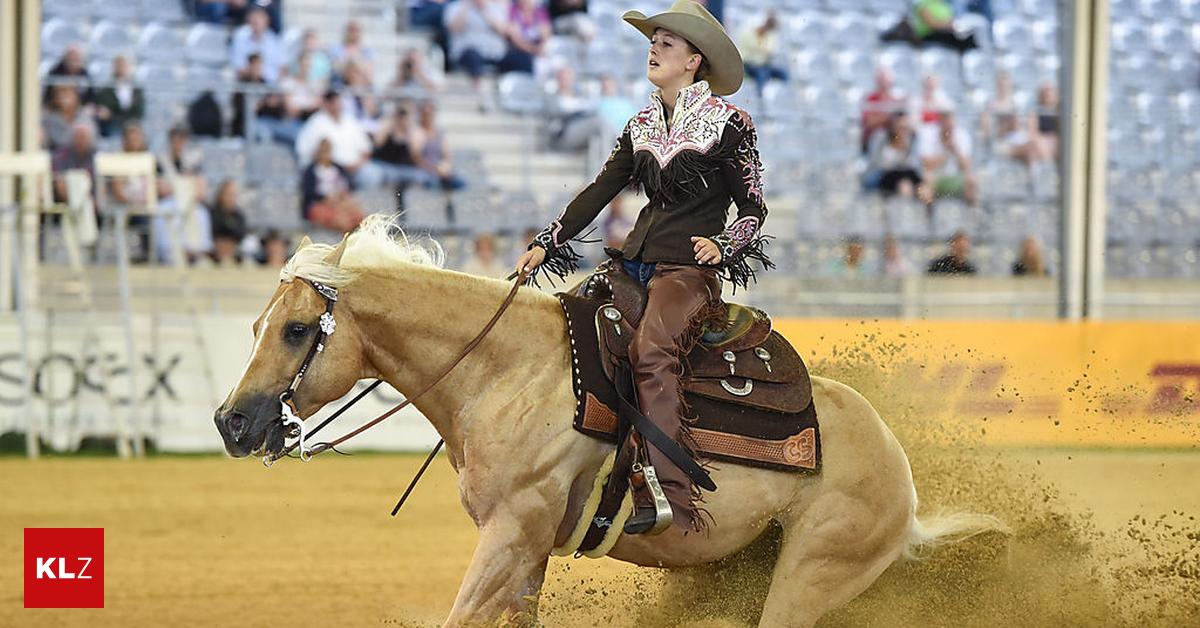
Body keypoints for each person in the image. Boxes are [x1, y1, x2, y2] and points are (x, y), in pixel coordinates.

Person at [514, 0, 768, 536]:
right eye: (653, 41)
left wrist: (724, 246)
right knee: (570, 326)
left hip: (688, 275)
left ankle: (670, 489)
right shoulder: (643, 123)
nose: (653, 48)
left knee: (653, 351)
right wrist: (547, 240)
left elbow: (753, 208)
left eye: (666, 43)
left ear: (694, 61)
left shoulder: (731, 125)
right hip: (632, 265)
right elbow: (601, 190)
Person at [294, 90, 375, 186]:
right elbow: (306, 151)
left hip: (356, 167)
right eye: (332, 102)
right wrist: (338, 166)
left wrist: (358, 164)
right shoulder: (316, 123)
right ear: (326, 104)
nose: (336, 105)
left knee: (373, 174)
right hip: (330, 170)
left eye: (337, 101)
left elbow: (366, 149)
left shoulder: (350, 120)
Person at [301, 137, 366, 232]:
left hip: (340, 201)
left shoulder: (338, 168)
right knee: (341, 221)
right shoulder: (310, 170)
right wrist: (326, 197)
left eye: (328, 150)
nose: (325, 153)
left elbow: (349, 186)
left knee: (360, 217)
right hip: (321, 203)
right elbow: (309, 193)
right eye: (323, 150)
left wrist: (342, 196)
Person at [368, 105, 441, 189]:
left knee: (422, 178)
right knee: (382, 175)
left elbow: (415, 154)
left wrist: (408, 131)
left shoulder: (415, 132)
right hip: (385, 166)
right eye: (401, 113)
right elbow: (377, 144)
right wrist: (391, 125)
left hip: (405, 169)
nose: (402, 117)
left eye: (405, 114)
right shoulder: (387, 126)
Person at [917, 110, 977, 206]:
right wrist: (945, 152)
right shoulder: (928, 134)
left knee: (972, 181)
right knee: (924, 188)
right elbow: (927, 164)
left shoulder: (962, 134)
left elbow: (966, 166)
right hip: (936, 177)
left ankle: (972, 214)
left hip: (955, 176)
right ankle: (930, 215)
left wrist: (954, 149)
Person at [412, 101, 466, 189]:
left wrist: (445, 167)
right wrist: (434, 169)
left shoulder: (439, 132)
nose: (428, 117)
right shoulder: (417, 132)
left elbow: (447, 155)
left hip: (440, 170)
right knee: (432, 183)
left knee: (460, 183)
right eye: (426, 114)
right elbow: (416, 158)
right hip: (424, 171)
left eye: (430, 114)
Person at [737, 11, 787, 98]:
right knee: (762, 73)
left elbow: (770, 52)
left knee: (783, 74)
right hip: (747, 65)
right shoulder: (748, 33)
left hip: (763, 65)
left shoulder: (770, 36)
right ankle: (760, 97)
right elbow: (754, 51)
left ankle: (784, 97)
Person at [230, 7, 286, 83]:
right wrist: (254, 72)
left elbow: (282, 68)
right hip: (246, 85)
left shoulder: (274, 40)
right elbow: (238, 68)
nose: (256, 20)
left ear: (267, 21)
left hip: (270, 87)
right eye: (254, 17)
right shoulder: (240, 37)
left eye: (259, 17)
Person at [93, 56, 145, 138]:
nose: (121, 68)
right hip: (112, 127)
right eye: (119, 65)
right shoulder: (106, 89)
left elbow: (139, 112)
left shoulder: (137, 88)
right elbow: (104, 112)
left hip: (132, 126)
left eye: (124, 65)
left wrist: (114, 116)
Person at [861, 68, 905, 153]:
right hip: (875, 137)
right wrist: (888, 117)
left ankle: (901, 156)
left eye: (886, 81)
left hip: (893, 135)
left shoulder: (896, 99)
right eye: (882, 81)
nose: (884, 84)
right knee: (881, 135)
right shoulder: (870, 99)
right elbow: (868, 122)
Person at [210, 179, 249, 265]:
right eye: (228, 194)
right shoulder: (212, 213)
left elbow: (241, 234)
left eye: (233, 195)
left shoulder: (239, 216)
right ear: (221, 195)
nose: (231, 198)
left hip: (233, 255)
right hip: (214, 256)